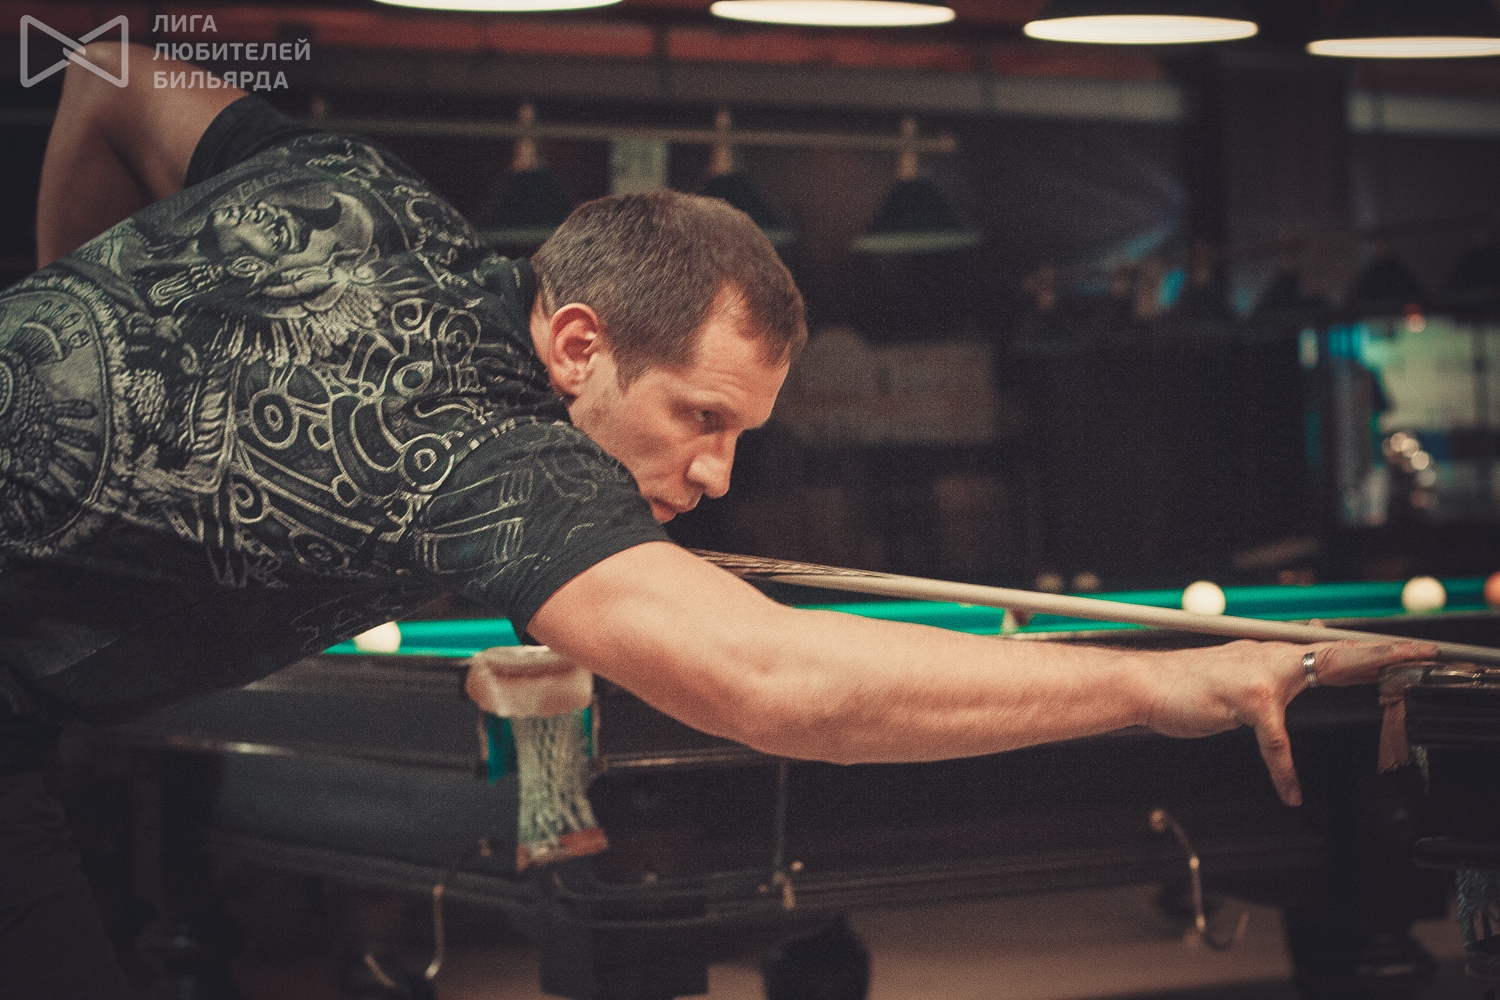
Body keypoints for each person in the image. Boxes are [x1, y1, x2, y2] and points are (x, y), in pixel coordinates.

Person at [0, 44, 1435, 999]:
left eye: (743, 435)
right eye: (701, 417)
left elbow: (105, 72)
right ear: (578, 343)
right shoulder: (492, 463)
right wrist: (1164, 683)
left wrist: (85, 377)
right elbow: (778, 680)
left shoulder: (356, 194)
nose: (718, 477)